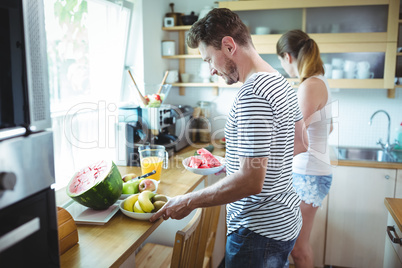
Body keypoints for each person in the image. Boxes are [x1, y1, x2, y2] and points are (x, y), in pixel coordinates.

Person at [150, 9, 308, 267]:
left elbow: (250, 181)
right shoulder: (280, 82)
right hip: (283, 223)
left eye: (208, 60)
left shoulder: (253, 93)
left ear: (228, 45)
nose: (211, 70)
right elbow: (301, 142)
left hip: (257, 231)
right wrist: (236, 161)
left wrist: (188, 202)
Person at [276, 30, 333, 268]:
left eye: (280, 60)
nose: (283, 65)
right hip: (310, 172)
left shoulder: (309, 85)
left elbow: (297, 138)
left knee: (298, 249)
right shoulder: (318, 81)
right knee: (298, 246)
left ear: (288, 57)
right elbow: (324, 131)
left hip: (308, 175)